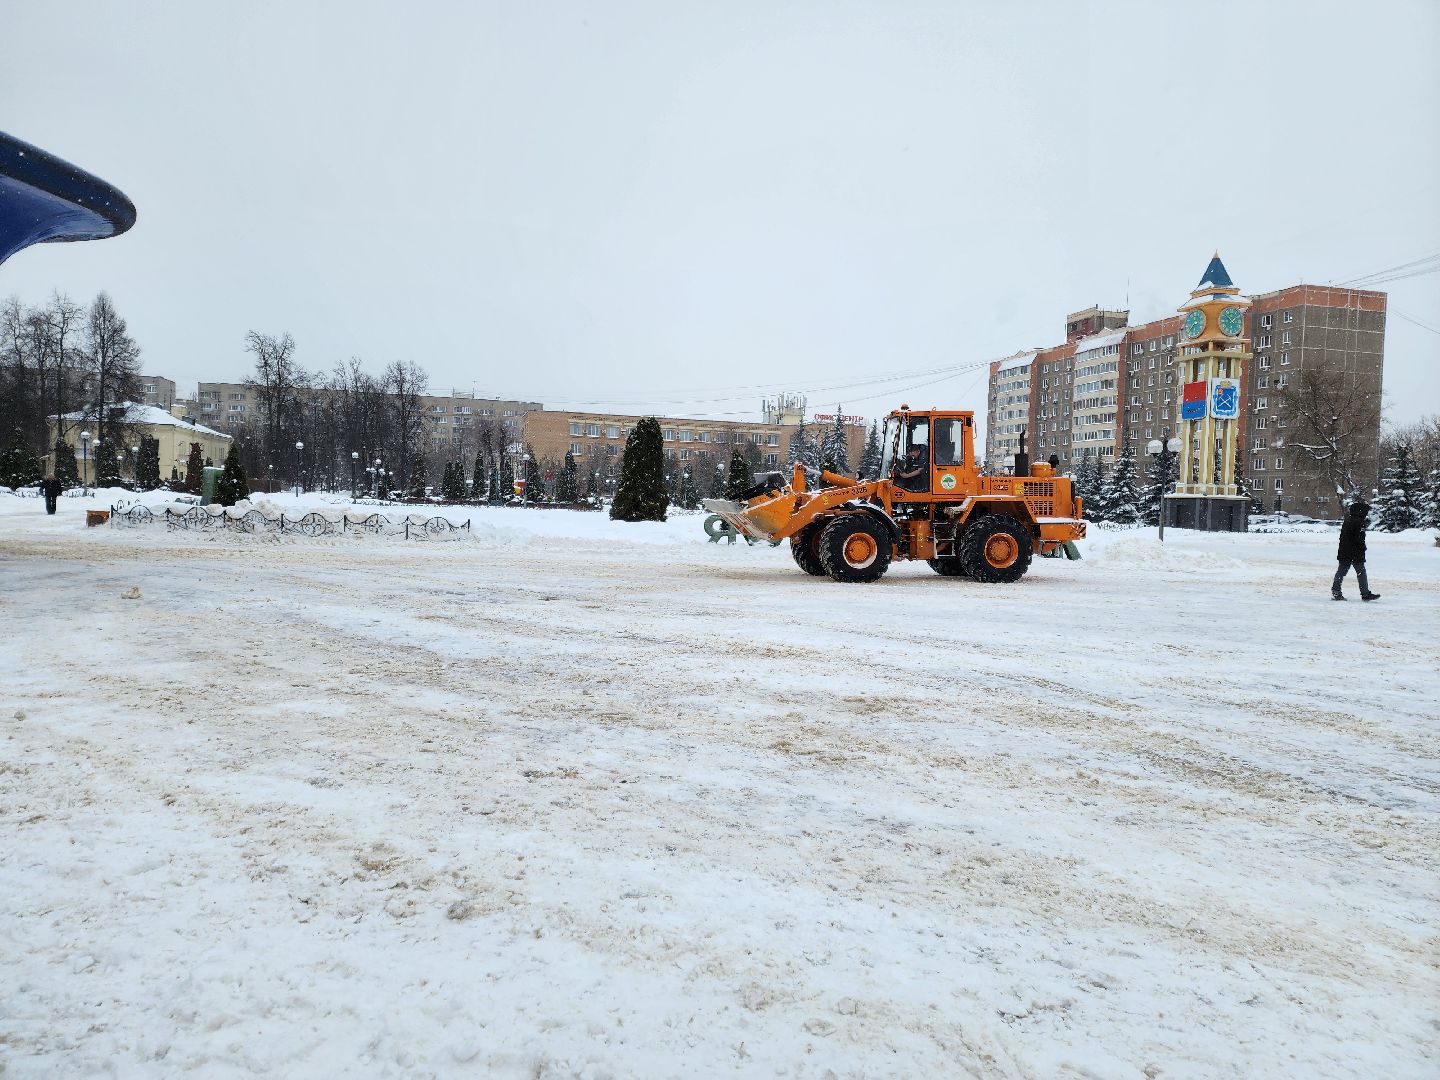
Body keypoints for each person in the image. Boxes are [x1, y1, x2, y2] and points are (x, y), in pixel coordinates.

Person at [1332, 500, 1379, 601]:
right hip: (1355, 552)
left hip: (1344, 550)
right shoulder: (1359, 522)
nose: (1366, 514)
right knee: (1361, 572)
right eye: (1365, 511)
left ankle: (1336, 591)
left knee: (1341, 571)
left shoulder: (1348, 520)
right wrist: (1362, 548)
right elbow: (1359, 539)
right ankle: (1365, 594)